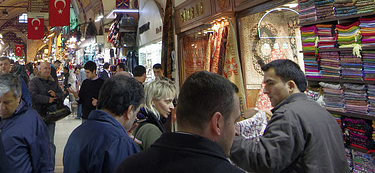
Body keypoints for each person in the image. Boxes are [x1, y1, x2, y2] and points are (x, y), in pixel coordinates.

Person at [230, 59, 347, 172]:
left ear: (290, 86)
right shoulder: (322, 112)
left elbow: (265, 160)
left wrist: (229, 138)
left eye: (270, 83)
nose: (265, 90)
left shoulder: (288, 115)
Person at [114, 71, 242, 173]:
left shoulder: (129, 167)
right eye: (235, 121)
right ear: (217, 123)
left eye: (172, 102)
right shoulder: (150, 129)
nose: (237, 131)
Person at [63, 74, 144, 173]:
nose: (136, 118)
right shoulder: (119, 142)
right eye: (137, 112)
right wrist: (124, 141)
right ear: (130, 110)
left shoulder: (78, 132)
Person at [0, 74, 54, 173]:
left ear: (19, 97)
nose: (1, 107)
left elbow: (44, 163)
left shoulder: (32, 121)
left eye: (7, 102)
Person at [133, 77, 177, 150]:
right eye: (167, 102)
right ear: (152, 101)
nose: (172, 107)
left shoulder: (141, 121)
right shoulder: (151, 130)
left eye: (172, 102)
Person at [29, 61, 64, 144]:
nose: (47, 70)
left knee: (49, 142)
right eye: (45, 68)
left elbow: (61, 95)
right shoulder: (34, 81)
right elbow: (32, 96)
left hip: (50, 117)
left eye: (49, 68)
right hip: (38, 115)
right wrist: (47, 99)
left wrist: (55, 95)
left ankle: (50, 157)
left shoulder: (53, 82)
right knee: (37, 141)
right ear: (40, 69)